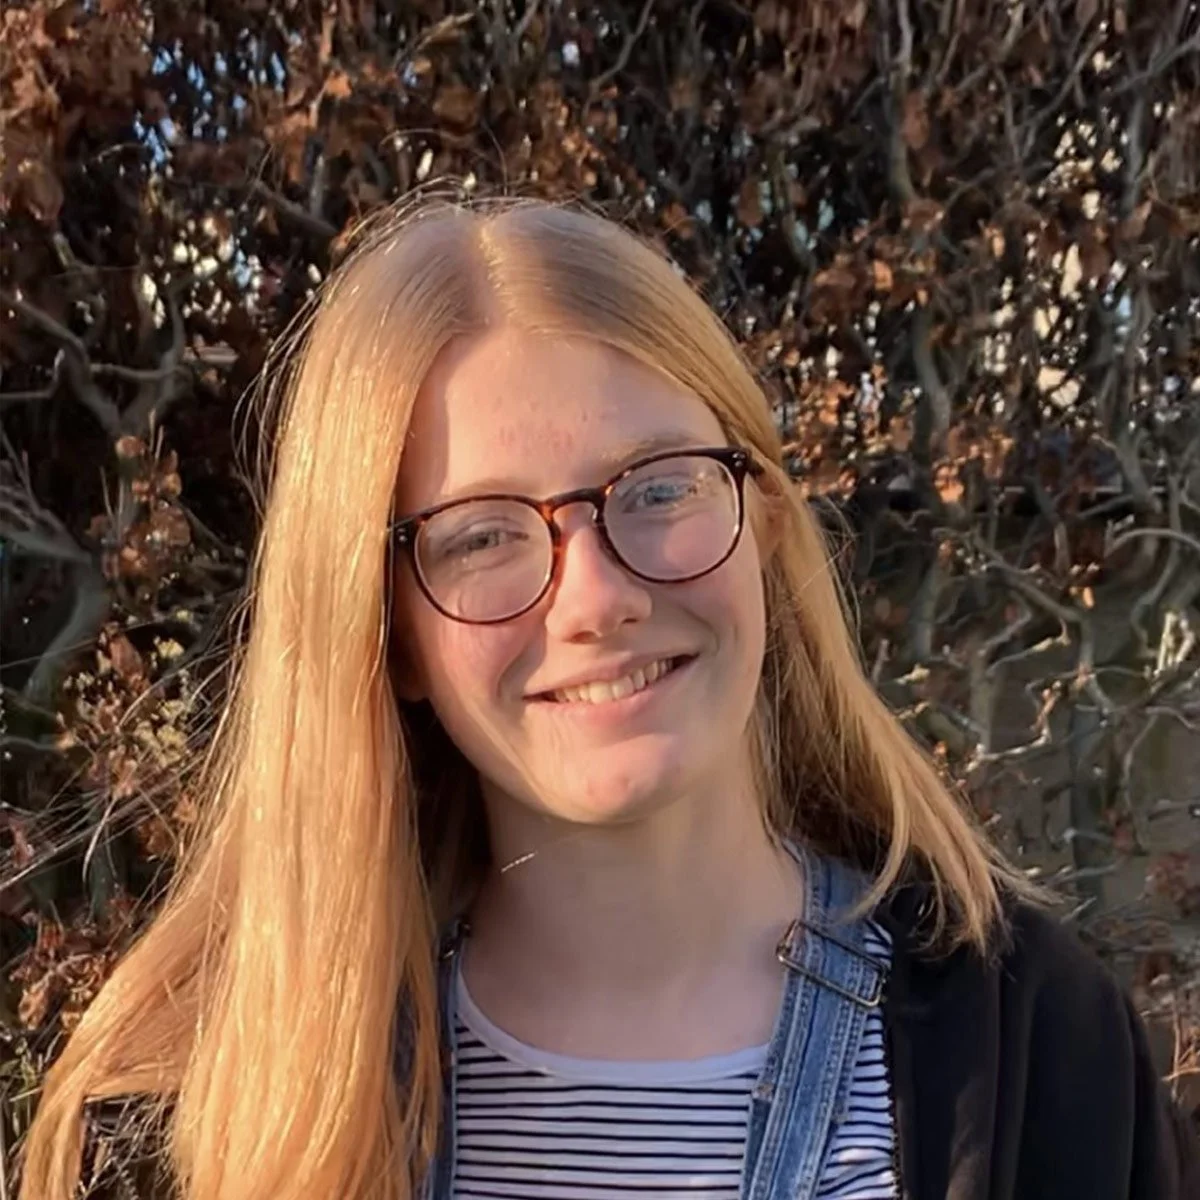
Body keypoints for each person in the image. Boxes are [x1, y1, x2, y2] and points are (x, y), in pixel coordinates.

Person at [18, 197, 1199, 1200]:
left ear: (767, 527)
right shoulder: (199, 1120)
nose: (594, 598)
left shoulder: (1036, 1047)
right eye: (481, 536)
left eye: (657, 488)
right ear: (389, 635)